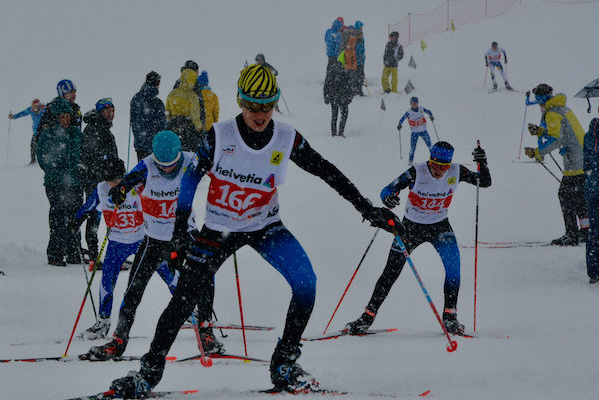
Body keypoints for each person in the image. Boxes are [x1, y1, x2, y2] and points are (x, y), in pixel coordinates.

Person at [105, 65, 402, 398]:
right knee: (183, 299)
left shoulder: (287, 138)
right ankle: (147, 374)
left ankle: (285, 365)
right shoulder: (220, 136)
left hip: (266, 227)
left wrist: (366, 209)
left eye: (266, 106)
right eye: (251, 106)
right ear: (240, 102)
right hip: (218, 230)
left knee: (307, 285)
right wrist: (178, 235)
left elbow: (326, 171)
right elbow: (190, 179)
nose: (259, 114)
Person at [82, 131, 220, 360]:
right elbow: (123, 185)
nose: (166, 169)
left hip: (184, 234)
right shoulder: (145, 166)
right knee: (133, 290)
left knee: (207, 274)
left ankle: (206, 331)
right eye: (161, 165)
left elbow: (222, 174)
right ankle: (118, 340)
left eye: (171, 165)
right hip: (153, 239)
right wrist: (118, 193)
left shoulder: (191, 160)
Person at [346, 142, 491, 336]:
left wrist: (483, 163)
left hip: (440, 227)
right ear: (430, 160)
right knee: (390, 272)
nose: (439, 171)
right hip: (410, 228)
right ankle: (366, 318)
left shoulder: (457, 171)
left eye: (443, 167)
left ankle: (450, 317)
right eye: (435, 165)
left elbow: (484, 181)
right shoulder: (417, 172)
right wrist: (389, 198)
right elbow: (387, 190)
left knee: (453, 269)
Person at [74, 157, 180, 339]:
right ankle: (103, 321)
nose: (114, 184)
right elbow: (88, 208)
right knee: (107, 281)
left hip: (141, 240)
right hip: (115, 243)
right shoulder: (101, 189)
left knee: (168, 273)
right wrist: (75, 221)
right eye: (110, 180)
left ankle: (188, 311)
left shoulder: (136, 188)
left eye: (117, 179)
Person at [524, 83, 588, 246]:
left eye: (538, 102)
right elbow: (561, 133)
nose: (538, 105)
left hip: (574, 161)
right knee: (579, 197)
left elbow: (556, 139)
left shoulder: (552, 113)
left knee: (565, 195)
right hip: (583, 158)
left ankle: (571, 235)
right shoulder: (563, 108)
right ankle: (586, 231)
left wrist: (537, 152)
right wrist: (540, 132)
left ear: (542, 100)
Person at [36, 97, 84, 265]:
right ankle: (55, 254)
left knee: (76, 217)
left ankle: (74, 252)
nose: (65, 120)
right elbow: (42, 158)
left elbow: (83, 155)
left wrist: (80, 169)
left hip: (75, 183)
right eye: (62, 117)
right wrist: (55, 171)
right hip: (55, 183)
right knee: (58, 218)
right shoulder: (47, 135)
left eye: (67, 116)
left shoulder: (77, 134)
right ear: (56, 117)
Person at [79, 98, 120, 261]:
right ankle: (94, 256)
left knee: (99, 214)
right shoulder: (94, 129)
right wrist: (105, 170)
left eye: (112, 111)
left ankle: (99, 254)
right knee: (93, 215)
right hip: (94, 180)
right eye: (107, 111)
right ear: (100, 112)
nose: (111, 115)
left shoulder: (103, 128)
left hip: (104, 179)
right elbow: (91, 157)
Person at [166, 60, 204, 152]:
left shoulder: (175, 89)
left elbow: (168, 110)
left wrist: (170, 124)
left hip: (175, 129)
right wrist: (200, 129)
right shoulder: (194, 90)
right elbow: (195, 113)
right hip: (190, 132)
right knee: (190, 160)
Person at [130, 71, 167, 161]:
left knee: (142, 170)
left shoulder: (136, 99)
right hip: (154, 145)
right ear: (157, 83)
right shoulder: (157, 102)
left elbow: (133, 121)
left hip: (140, 144)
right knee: (154, 173)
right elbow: (162, 125)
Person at [583, 104, 599, 283]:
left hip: (592, 187)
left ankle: (594, 271)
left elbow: (585, 165)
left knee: (594, 230)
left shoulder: (589, 135)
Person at [323, 50, 354, 137]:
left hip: (334, 96)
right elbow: (349, 85)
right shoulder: (344, 71)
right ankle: (340, 133)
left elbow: (326, 83)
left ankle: (334, 133)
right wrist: (349, 96)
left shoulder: (333, 68)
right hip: (341, 96)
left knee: (334, 114)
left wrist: (326, 95)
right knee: (343, 114)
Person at [397, 97, 435, 165]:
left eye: (415, 103)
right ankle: (410, 161)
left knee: (430, 145)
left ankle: (434, 158)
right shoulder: (409, 112)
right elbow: (402, 119)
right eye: (412, 103)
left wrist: (431, 116)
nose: (414, 104)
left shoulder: (421, 109)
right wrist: (400, 124)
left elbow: (429, 112)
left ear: (417, 103)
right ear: (410, 104)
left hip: (423, 131)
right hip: (415, 133)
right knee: (412, 148)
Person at [9, 98, 46, 165]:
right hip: (36, 131)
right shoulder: (31, 110)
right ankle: (33, 160)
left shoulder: (44, 109)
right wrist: (13, 117)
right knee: (33, 145)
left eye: (36, 106)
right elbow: (23, 113)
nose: (34, 108)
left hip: (44, 131)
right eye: (33, 106)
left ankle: (44, 159)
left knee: (43, 145)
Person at [354, 21, 366, 96]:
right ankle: (357, 90)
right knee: (358, 76)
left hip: (361, 59)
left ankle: (358, 90)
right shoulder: (355, 35)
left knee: (360, 75)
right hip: (357, 60)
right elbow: (357, 49)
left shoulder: (361, 36)